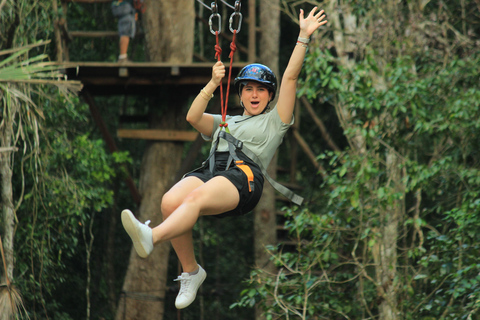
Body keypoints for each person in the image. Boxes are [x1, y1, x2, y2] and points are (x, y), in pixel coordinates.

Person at [121, 7, 327, 310]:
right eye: (249, 90)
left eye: (261, 91)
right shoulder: (226, 121)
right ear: (241, 94)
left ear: (270, 97)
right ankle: (191, 271)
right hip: (212, 171)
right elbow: (192, 117)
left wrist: (303, 37)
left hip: (244, 179)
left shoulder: (275, 122)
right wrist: (212, 84)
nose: (255, 95)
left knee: (195, 199)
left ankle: (151, 236)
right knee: (169, 202)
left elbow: (291, 76)